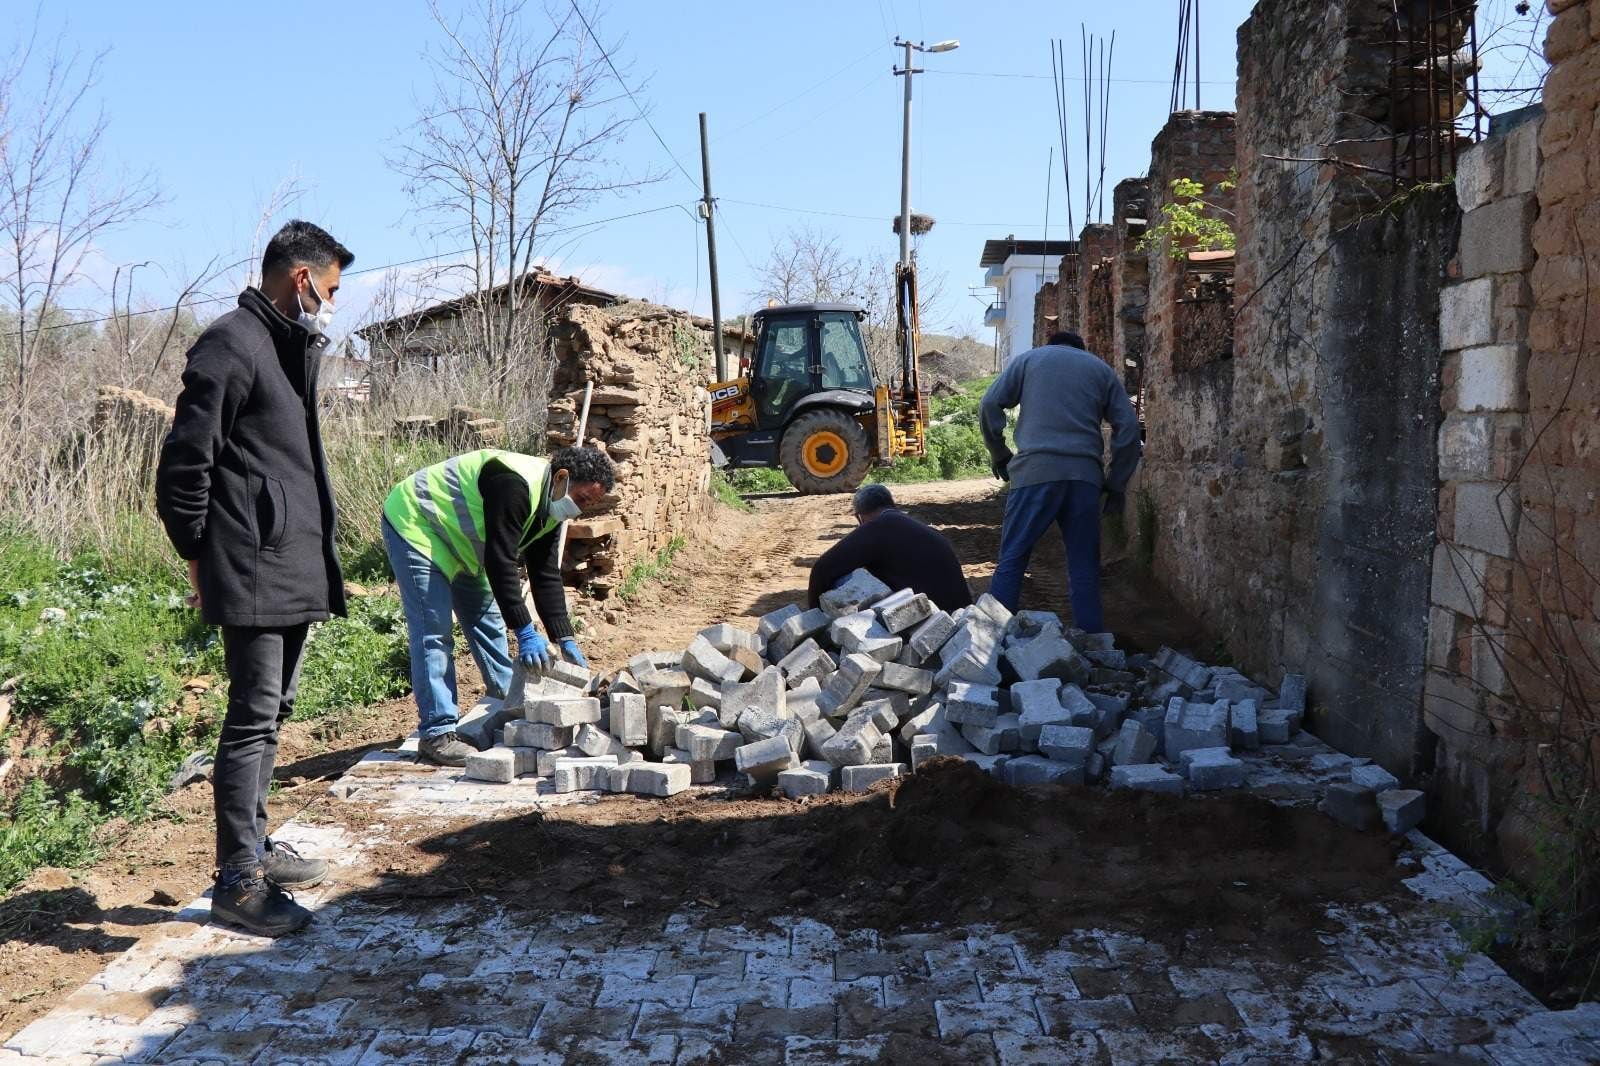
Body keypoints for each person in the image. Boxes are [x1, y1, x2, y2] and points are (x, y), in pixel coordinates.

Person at [155, 220, 354, 937]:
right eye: (329, 289)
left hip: (288, 560)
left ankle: (254, 848)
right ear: (300, 279)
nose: (333, 303)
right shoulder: (232, 343)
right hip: (252, 564)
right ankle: (237, 884)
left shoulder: (285, 344)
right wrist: (199, 556)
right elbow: (185, 465)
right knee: (251, 719)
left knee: (272, 714)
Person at [382, 445, 616, 767]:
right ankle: (437, 734)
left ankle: (509, 707)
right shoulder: (515, 483)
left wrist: (564, 636)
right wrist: (525, 631)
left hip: (461, 546)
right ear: (562, 478)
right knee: (433, 631)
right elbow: (500, 560)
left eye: (588, 505)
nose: (579, 510)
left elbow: (544, 573)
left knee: (487, 621)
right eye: (582, 499)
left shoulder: (550, 509)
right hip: (418, 524)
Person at [980, 330, 1141, 633]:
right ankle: (1094, 646)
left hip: (1034, 473)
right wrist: (1116, 482)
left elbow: (989, 405)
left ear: (1049, 345)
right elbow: (1129, 428)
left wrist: (1000, 453)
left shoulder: (1028, 361)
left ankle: (992, 639)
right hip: (1084, 478)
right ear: (1082, 348)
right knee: (1084, 567)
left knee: (1013, 559)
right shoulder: (1100, 369)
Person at [806, 484, 973, 612]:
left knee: (844, 578)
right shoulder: (911, 525)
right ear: (891, 505)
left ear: (859, 517)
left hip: (930, 619)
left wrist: (814, 617)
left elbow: (822, 569)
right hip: (961, 615)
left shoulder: (877, 528)